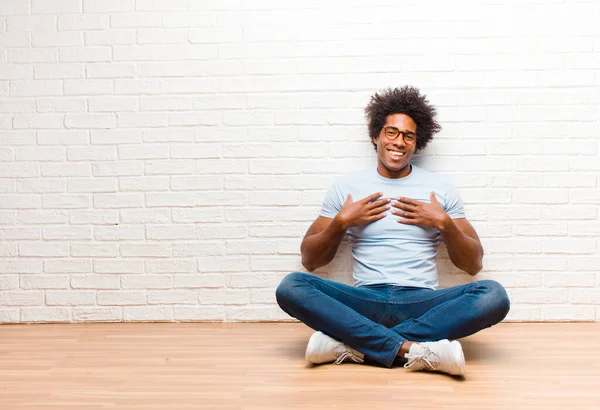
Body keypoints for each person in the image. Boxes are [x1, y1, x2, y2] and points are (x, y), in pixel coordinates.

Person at [275, 86, 510, 376]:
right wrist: (341, 222)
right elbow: (310, 260)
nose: (399, 142)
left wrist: (445, 224)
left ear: (417, 143)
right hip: (364, 302)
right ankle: (411, 350)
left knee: (493, 295)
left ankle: (356, 345)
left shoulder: (442, 189)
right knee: (291, 287)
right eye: (391, 132)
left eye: (408, 136)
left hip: (421, 303)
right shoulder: (346, 188)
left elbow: (473, 265)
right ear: (376, 136)